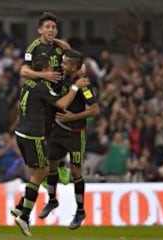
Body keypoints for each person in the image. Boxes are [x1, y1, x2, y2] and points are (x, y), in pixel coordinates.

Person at [12, 54, 88, 237]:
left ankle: (22, 205)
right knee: (39, 174)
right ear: (44, 71)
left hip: (20, 132)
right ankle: (24, 215)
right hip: (33, 135)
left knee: (42, 171)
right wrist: (76, 87)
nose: (54, 70)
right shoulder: (42, 87)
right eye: (50, 68)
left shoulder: (28, 83)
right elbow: (62, 103)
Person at [38, 49, 100, 229]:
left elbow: (95, 110)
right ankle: (51, 200)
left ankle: (80, 211)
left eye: (65, 63)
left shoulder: (84, 85)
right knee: (52, 165)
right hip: (58, 130)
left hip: (75, 132)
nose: (61, 64)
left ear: (73, 67)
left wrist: (73, 117)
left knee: (75, 172)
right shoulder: (62, 77)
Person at [20, 11, 71, 185]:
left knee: (62, 130)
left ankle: (62, 164)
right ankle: (42, 172)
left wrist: (58, 41)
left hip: (59, 93)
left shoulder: (58, 46)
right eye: (47, 27)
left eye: (54, 27)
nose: (51, 30)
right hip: (42, 96)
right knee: (43, 134)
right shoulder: (33, 48)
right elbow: (24, 71)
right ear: (39, 30)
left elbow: (70, 52)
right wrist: (45, 75)